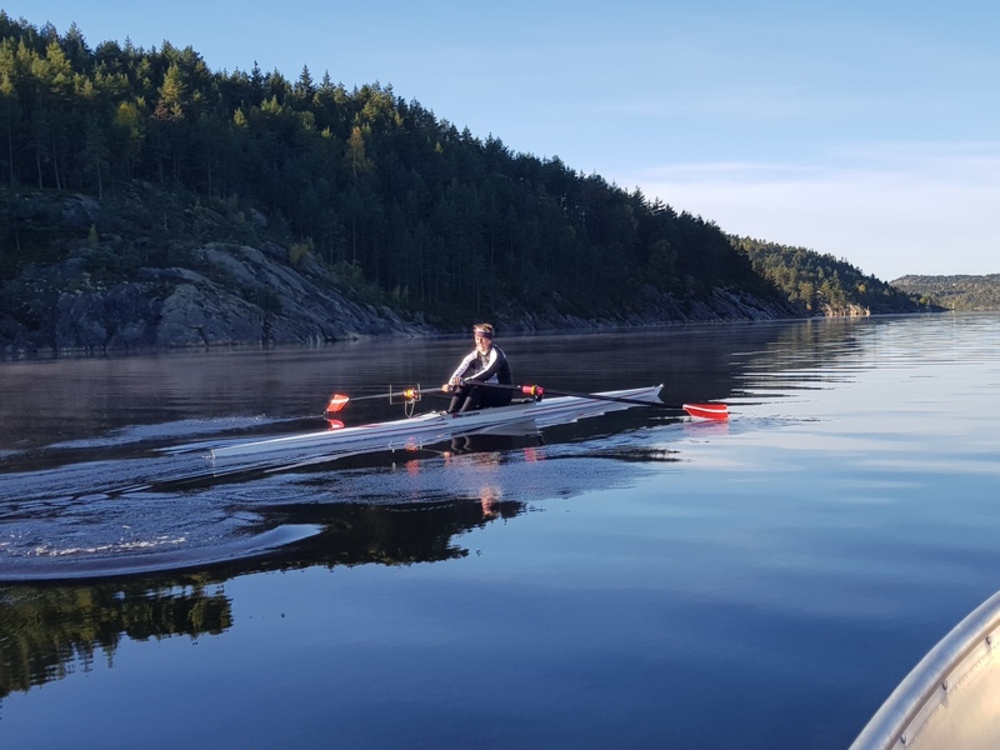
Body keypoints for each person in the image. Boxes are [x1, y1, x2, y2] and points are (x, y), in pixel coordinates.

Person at [442, 323, 514, 413]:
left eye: (482, 339)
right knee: (462, 386)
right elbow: (461, 369)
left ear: (489, 340)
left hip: (503, 394)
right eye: (477, 339)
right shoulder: (474, 355)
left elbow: (488, 372)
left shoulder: (497, 355)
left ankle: (462, 415)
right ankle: (452, 412)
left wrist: (468, 380)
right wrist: (451, 383)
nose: (479, 342)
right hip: (486, 391)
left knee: (476, 387)